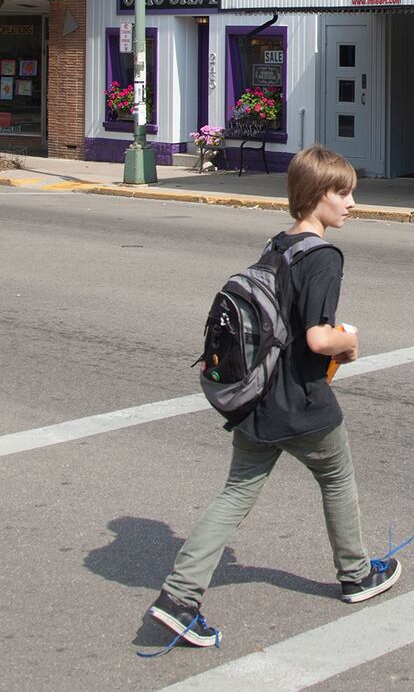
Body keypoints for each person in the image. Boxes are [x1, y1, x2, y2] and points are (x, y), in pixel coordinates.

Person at [144, 144, 401, 648]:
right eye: (342, 193)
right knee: (337, 476)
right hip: (301, 400)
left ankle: (178, 596)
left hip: (255, 397)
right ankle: (355, 575)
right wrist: (351, 340)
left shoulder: (278, 244)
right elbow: (317, 339)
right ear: (315, 195)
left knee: (236, 492)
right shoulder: (324, 256)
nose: (351, 203)